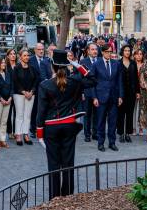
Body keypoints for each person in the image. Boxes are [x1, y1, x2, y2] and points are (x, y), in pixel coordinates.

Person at [36, 49, 96, 200]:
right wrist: (78, 65)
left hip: (51, 128)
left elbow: (41, 112)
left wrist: (39, 133)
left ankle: (55, 198)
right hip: (69, 126)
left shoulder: (45, 85)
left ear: (53, 67)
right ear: (67, 65)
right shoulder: (75, 81)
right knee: (68, 163)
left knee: (54, 164)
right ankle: (68, 197)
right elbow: (93, 80)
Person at [91, 44, 123, 152]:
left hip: (113, 97)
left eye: (111, 51)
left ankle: (112, 143)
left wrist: (120, 96)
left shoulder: (116, 64)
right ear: (103, 52)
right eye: (107, 51)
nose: (109, 53)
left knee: (112, 122)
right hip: (101, 97)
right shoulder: (96, 64)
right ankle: (100, 143)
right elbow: (92, 82)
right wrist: (94, 97)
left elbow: (119, 81)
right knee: (100, 121)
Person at [13, 49, 37, 145]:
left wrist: (31, 91)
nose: (27, 57)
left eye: (28, 55)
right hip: (19, 94)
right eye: (24, 55)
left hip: (31, 94)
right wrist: (23, 92)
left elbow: (36, 80)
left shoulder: (32, 67)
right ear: (20, 57)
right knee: (19, 115)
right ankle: (18, 134)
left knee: (27, 115)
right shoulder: (16, 68)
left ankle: (26, 134)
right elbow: (15, 82)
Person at [117, 45, 140, 143]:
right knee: (121, 113)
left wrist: (138, 92)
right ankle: (121, 133)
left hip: (131, 92)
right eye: (125, 50)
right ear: (122, 52)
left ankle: (128, 133)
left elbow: (136, 79)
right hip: (121, 93)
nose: (127, 52)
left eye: (129, 51)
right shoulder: (117, 63)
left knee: (130, 113)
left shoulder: (133, 63)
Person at [0, 57, 13, 149]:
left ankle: (2, 140)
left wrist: (10, 97)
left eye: (4, 62)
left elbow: (12, 87)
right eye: (2, 63)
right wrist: (0, 99)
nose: (4, 64)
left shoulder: (8, 74)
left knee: (4, 121)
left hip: (8, 100)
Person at [80, 43, 98, 142]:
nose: (95, 51)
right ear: (88, 51)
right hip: (86, 93)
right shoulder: (83, 62)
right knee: (87, 115)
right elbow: (81, 79)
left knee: (97, 115)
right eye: (92, 49)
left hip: (97, 93)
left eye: (96, 49)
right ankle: (87, 134)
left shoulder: (100, 61)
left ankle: (95, 133)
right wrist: (81, 92)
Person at [28, 43, 48, 138]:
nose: (41, 51)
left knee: (44, 110)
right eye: (39, 49)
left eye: (42, 49)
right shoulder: (30, 60)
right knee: (34, 110)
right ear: (35, 50)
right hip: (35, 89)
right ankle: (32, 129)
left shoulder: (47, 60)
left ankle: (42, 129)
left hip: (45, 91)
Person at [6, 49, 17, 139]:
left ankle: (16, 131)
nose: (13, 55)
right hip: (8, 93)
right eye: (11, 54)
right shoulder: (5, 66)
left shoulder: (18, 66)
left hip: (17, 92)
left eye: (14, 54)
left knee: (17, 113)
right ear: (8, 56)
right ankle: (9, 131)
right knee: (8, 114)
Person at [133, 49, 145, 136]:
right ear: (134, 56)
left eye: (141, 54)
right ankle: (133, 128)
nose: (139, 56)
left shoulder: (145, 65)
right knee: (134, 110)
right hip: (133, 90)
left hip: (143, 90)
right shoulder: (132, 65)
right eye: (137, 54)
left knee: (142, 109)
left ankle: (141, 127)